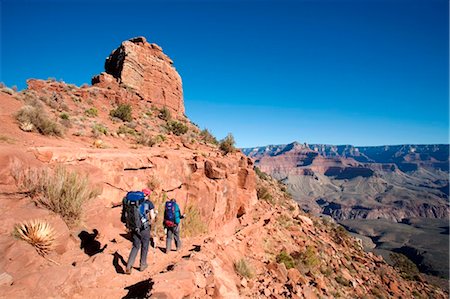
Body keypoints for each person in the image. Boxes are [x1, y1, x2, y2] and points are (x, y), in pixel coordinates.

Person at [123, 188, 156, 274]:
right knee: (145, 245)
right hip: (144, 228)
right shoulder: (149, 203)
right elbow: (152, 217)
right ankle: (143, 264)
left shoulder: (132, 202)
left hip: (133, 227)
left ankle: (129, 265)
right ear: (148, 195)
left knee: (135, 246)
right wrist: (151, 222)